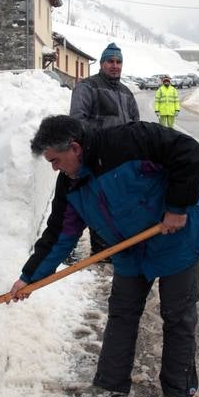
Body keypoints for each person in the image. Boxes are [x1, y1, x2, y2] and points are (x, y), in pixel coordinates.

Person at [8, 115, 199, 397]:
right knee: (122, 311)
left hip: (177, 237)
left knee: (177, 316)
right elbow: (59, 234)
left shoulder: (129, 141)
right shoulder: (70, 185)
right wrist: (29, 277)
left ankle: (177, 392)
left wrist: (177, 206)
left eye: (55, 160)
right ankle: (109, 382)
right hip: (130, 248)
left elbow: (187, 150)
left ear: (75, 148)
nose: (54, 169)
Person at [70, 41, 139, 254]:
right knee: (99, 206)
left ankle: (117, 249)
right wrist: (96, 148)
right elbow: (77, 122)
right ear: (101, 63)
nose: (115, 65)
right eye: (110, 61)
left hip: (123, 161)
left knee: (119, 205)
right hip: (98, 159)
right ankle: (101, 254)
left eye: (118, 62)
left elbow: (135, 126)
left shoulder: (127, 93)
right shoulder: (87, 87)